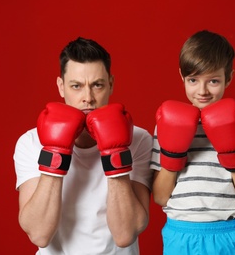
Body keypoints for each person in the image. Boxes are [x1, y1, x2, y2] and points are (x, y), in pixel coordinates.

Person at [13, 37, 153, 255]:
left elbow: (125, 234)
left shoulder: (139, 140)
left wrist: (115, 152)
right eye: (76, 86)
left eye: (97, 85)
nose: (88, 98)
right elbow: (39, 234)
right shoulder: (31, 142)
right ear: (61, 86)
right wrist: (55, 151)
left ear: (111, 84)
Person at [150, 30, 235, 254]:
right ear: (182, 76)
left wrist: (233, 154)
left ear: (229, 77)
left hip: (228, 234)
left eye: (214, 81)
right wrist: (173, 155)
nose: (203, 91)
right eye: (193, 80)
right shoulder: (166, 124)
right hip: (180, 234)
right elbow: (160, 197)